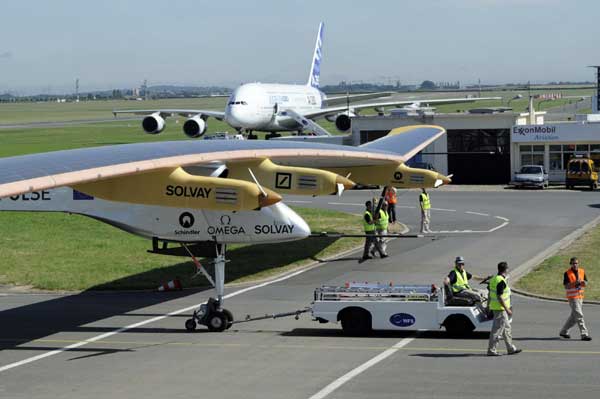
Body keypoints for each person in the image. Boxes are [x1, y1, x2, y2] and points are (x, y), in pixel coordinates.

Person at [487, 261, 522, 356]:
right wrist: (507, 309)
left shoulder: (494, 279)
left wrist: (488, 306)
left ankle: (510, 348)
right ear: (506, 270)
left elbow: (490, 294)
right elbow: (499, 296)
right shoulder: (500, 281)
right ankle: (492, 350)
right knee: (497, 330)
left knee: (506, 328)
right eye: (507, 269)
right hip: (500, 309)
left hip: (496, 308)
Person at [559, 257, 592, 341]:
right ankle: (584, 334)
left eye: (576, 263)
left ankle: (564, 331)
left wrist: (584, 283)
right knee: (579, 315)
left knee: (574, 317)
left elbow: (586, 282)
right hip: (573, 298)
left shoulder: (582, 271)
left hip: (580, 297)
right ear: (570, 264)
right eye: (573, 263)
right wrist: (575, 283)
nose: (575, 265)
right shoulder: (567, 273)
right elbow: (566, 286)